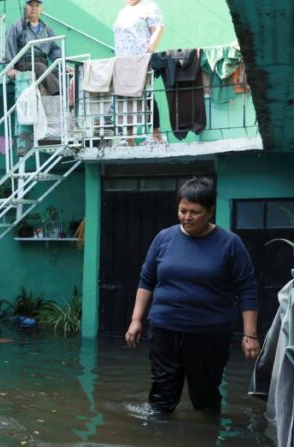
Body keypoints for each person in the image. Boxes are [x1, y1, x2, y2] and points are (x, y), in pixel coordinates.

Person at [125, 177, 260, 414]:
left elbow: (247, 288)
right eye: (182, 210)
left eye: (194, 212)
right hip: (165, 328)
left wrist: (250, 334)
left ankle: (207, 443)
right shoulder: (163, 238)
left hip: (209, 334)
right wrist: (136, 320)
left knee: (205, 397)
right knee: (161, 397)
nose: (187, 217)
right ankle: (158, 443)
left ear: (210, 211)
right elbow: (147, 280)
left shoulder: (230, 243)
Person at [113, 0, 165, 145]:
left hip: (141, 59)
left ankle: (156, 135)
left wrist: (151, 48)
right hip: (123, 61)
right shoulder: (123, 12)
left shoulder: (149, 7)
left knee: (147, 95)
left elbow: (158, 28)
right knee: (126, 97)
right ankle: (129, 138)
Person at [4, 0, 63, 96]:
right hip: (24, 64)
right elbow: (9, 46)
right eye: (31, 5)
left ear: (41, 9)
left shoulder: (47, 30)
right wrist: (9, 68)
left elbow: (54, 51)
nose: (34, 8)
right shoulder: (16, 26)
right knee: (40, 66)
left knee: (59, 72)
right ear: (25, 8)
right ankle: (59, 94)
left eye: (37, 5)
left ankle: (69, 99)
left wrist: (64, 65)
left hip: (43, 66)